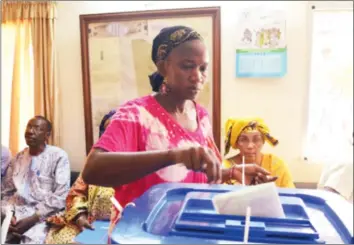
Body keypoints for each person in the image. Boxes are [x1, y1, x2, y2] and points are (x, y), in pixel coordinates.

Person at [81, 26, 276, 238]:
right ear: (163, 66)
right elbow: (93, 169)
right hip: (142, 236)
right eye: (187, 66)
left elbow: (197, 173)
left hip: (190, 232)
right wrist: (173, 156)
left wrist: (230, 173)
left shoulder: (200, 115)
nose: (197, 77)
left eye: (203, 68)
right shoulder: (135, 114)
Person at [45, 110, 116, 244]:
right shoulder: (94, 160)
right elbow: (77, 193)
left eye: (118, 129)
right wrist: (80, 216)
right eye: (108, 130)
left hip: (123, 227)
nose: (112, 134)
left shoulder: (139, 160)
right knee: (62, 240)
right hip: (89, 223)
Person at [1, 116, 71, 244]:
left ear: (47, 135)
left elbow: (61, 196)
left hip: (43, 216)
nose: (30, 131)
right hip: (15, 213)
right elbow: (6, 192)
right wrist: (7, 214)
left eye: (37, 128)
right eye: (29, 126)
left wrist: (33, 219)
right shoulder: (18, 158)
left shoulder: (58, 157)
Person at [223, 118, 295, 188]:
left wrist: (268, 190)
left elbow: (290, 196)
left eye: (256, 139)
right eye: (243, 140)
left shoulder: (275, 165)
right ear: (236, 143)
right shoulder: (225, 168)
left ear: (263, 142)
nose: (250, 146)